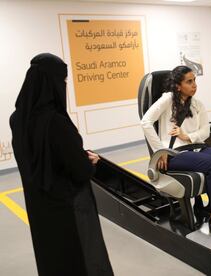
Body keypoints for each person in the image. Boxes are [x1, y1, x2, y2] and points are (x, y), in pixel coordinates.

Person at [10, 53, 113, 276]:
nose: (65, 86)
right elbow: (80, 170)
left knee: (51, 257)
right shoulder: (56, 122)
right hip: (68, 207)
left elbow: (38, 157)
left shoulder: (17, 119)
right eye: (64, 81)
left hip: (38, 204)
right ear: (52, 83)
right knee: (80, 257)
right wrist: (90, 161)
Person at [140, 65, 211, 240]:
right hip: (174, 153)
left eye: (195, 81)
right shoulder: (168, 99)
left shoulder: (197, 104)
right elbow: (146, 122)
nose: (194, 85)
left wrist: (187, 136)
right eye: (189, 81)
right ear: (178, 85)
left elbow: (205, 132)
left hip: (196, 148)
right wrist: (159, 150)